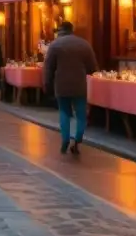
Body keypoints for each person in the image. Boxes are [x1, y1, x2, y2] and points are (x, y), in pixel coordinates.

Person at [42, 20, 98, 156]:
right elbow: (93, 68)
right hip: (79, 85)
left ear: (60, 31)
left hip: (61, 84)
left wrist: (46, 84)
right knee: (81, 115)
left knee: (64, 112)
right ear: (72, 30)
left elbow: (48, 68)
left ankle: (65, 139)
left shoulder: (55, 45)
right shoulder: (84, 44)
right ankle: (77, 140)